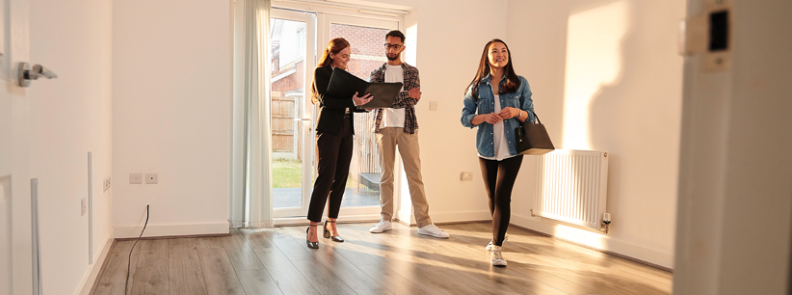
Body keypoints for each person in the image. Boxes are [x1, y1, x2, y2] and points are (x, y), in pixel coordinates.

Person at [460, 39, 535, 266]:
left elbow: (530, 115)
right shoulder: (476, 87)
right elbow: (465, 118)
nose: (500, 54)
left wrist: (516, 111)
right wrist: (483, 117)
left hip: (513, 148)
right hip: (486, 147)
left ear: (508, 56)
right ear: (487, 56)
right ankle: (499, 233)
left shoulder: (520, 83)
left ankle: (497, 246)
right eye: (495, 51)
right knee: (493, 197)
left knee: (503, 195)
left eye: (504, 51)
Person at [367, 30, 449, 239]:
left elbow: (413, 100)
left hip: (407, 127)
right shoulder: (377, 73)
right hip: (383, 127)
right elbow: (377, 100)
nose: (391, 49)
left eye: (395, 46)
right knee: (386, 176)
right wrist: (402, 95)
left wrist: (389, 96)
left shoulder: (412, 72)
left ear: (402, 48)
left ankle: (424, 222)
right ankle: (385, 219)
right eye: (388, 45)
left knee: (415, 175)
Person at [306, 38, 373, 249]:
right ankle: (313, 227)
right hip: (328, 130)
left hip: (346, 130)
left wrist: (364, 105)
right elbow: (327, 101)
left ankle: (331, 225)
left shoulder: (345, 77)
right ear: (332, 54)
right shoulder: (321, 73)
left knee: (341, 178)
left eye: (349, 56)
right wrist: (353, 102)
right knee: (326, 178)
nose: (347, 59)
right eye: (344, 55)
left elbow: (349, 104)